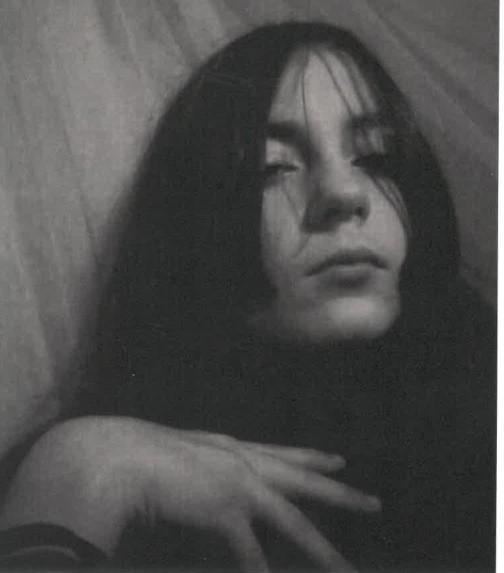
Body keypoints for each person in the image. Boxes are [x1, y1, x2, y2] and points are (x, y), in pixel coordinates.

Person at [0, 21, 495, 572]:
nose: (344, 194)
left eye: (376, 158)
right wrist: (80, 472)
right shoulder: (87, 478)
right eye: (272, 166)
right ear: (196, 223)